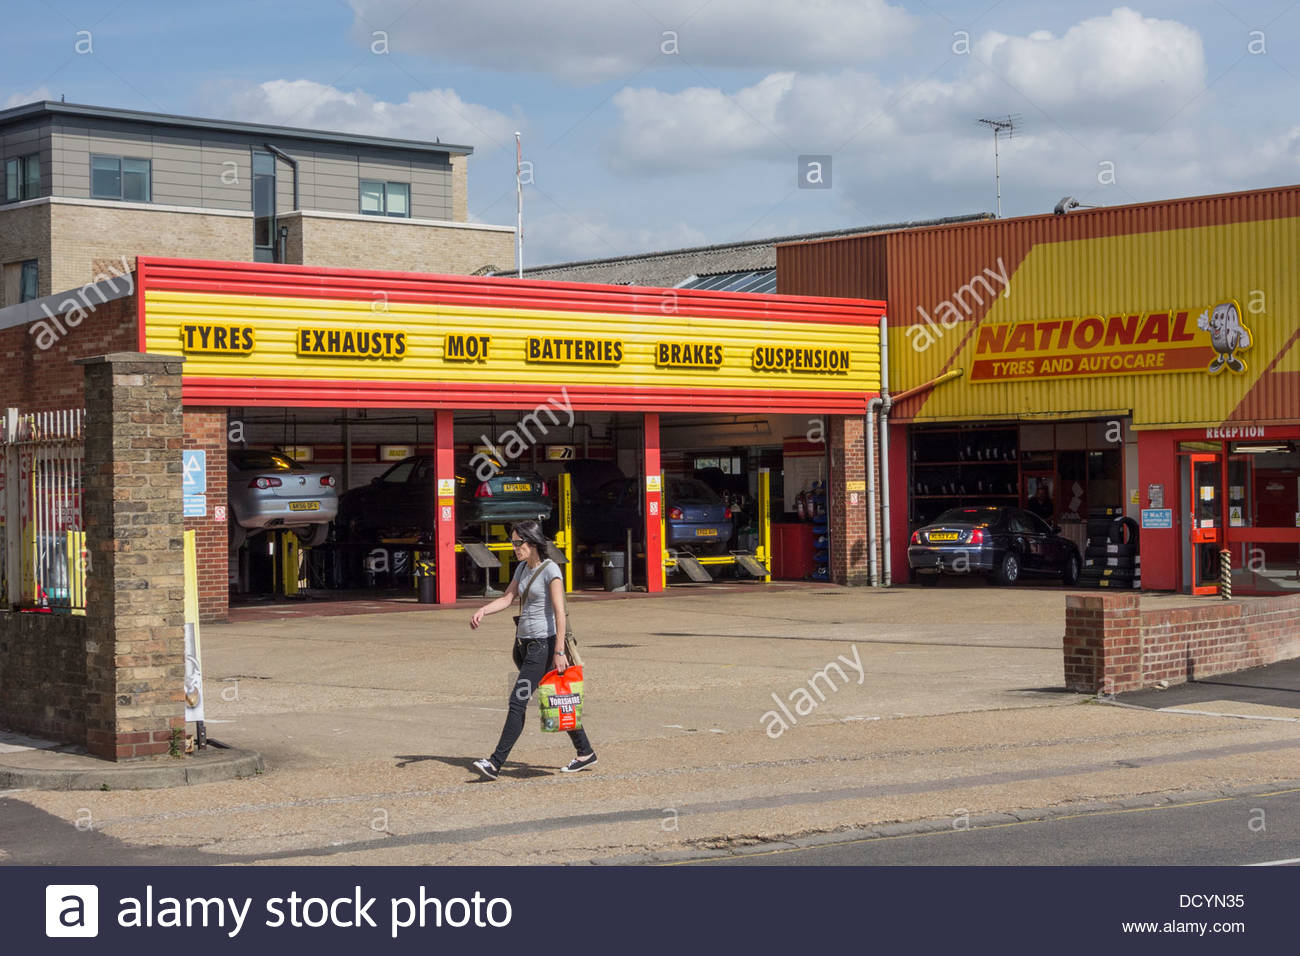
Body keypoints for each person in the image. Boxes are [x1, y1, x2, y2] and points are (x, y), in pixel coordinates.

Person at [468, 519, 596, 780]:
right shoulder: (522, 569)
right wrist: (483, 610)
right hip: (524, 647)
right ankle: (585, 752)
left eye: (518, 542)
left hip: (543, 648)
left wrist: (559, 652)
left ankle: (495, 762)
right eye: (513, 542)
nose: (514, 547)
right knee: (555, 697)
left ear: (533, 542)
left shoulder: (551, 571)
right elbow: (507, 598)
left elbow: (560, 614)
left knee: (517, 700)